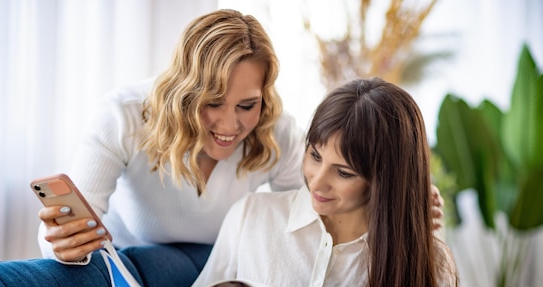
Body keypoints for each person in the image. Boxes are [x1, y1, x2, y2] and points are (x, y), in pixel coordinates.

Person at [94, 77, 459, 287]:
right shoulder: (254, 216)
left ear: (387, 178)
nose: (318, 180)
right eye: (314, 156)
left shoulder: (431, 266)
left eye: (343, 172)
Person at [37, 9, 445, 264]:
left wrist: (395, 207)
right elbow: (68, 226)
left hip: (222, 271)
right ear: (185, 89)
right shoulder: (124, 116)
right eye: (212, 102)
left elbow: (314, 219)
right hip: (133, 270)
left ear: (264, 95)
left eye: (246, 105)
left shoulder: (278, 131)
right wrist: (61, 242)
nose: (229, 126)